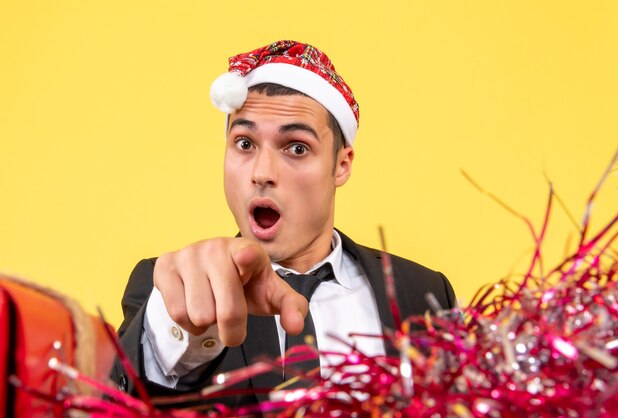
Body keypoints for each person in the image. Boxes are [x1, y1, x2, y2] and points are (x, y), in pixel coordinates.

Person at [112, 40, 456, 406]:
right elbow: (120, 401)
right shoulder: (168, 289)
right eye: (244, 143)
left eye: (296, 147)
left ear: (341, 164)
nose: (262, 173)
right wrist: (178, 325)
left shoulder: (426, 293)